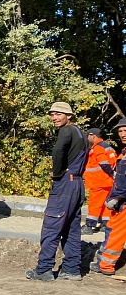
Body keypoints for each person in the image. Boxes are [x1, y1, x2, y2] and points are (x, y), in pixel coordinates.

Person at [26, 102, 87, 281]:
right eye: (52, 114)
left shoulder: (66, 131)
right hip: (77, 184)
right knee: (71, 229)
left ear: (69, 116)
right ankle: (72, 270)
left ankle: (43, 270)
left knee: (52, 226)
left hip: (65, 185)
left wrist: (57, 171)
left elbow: (58, 150)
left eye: (59, 114)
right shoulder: (80, 133)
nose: (54, 117)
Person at [91, 118, 126, 276]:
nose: (123, 134)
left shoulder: (100, 148)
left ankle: (105, 265)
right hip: (118, 197)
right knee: (111, 229)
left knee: (114, 234)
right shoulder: (122, 151)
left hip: (122, 200)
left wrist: (118, 197)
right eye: (120, 131)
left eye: (125, 130)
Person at [82, 128, 116, 234]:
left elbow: (104, 163)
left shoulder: (97, 147)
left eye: (88, 136)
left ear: (93, 136)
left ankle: (89, 226)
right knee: (106, 204)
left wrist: (111, 173)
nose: (87, 138)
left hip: (98, 181)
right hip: (107, 182)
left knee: (94, 203)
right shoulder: (107, 147)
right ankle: (105, 224)